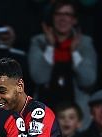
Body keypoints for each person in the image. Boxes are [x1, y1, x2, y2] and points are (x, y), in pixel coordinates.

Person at [28, 0, 97, 128]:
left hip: (76, 117)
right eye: (58, 14)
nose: (63, 18)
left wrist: (74, 51)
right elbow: (39, 77)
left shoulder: (84, 43)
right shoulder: (38, 42)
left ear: (74, 20)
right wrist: (50, 47)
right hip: (45, 116)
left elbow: (88, 80)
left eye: (67, 14)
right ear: (52, 18)